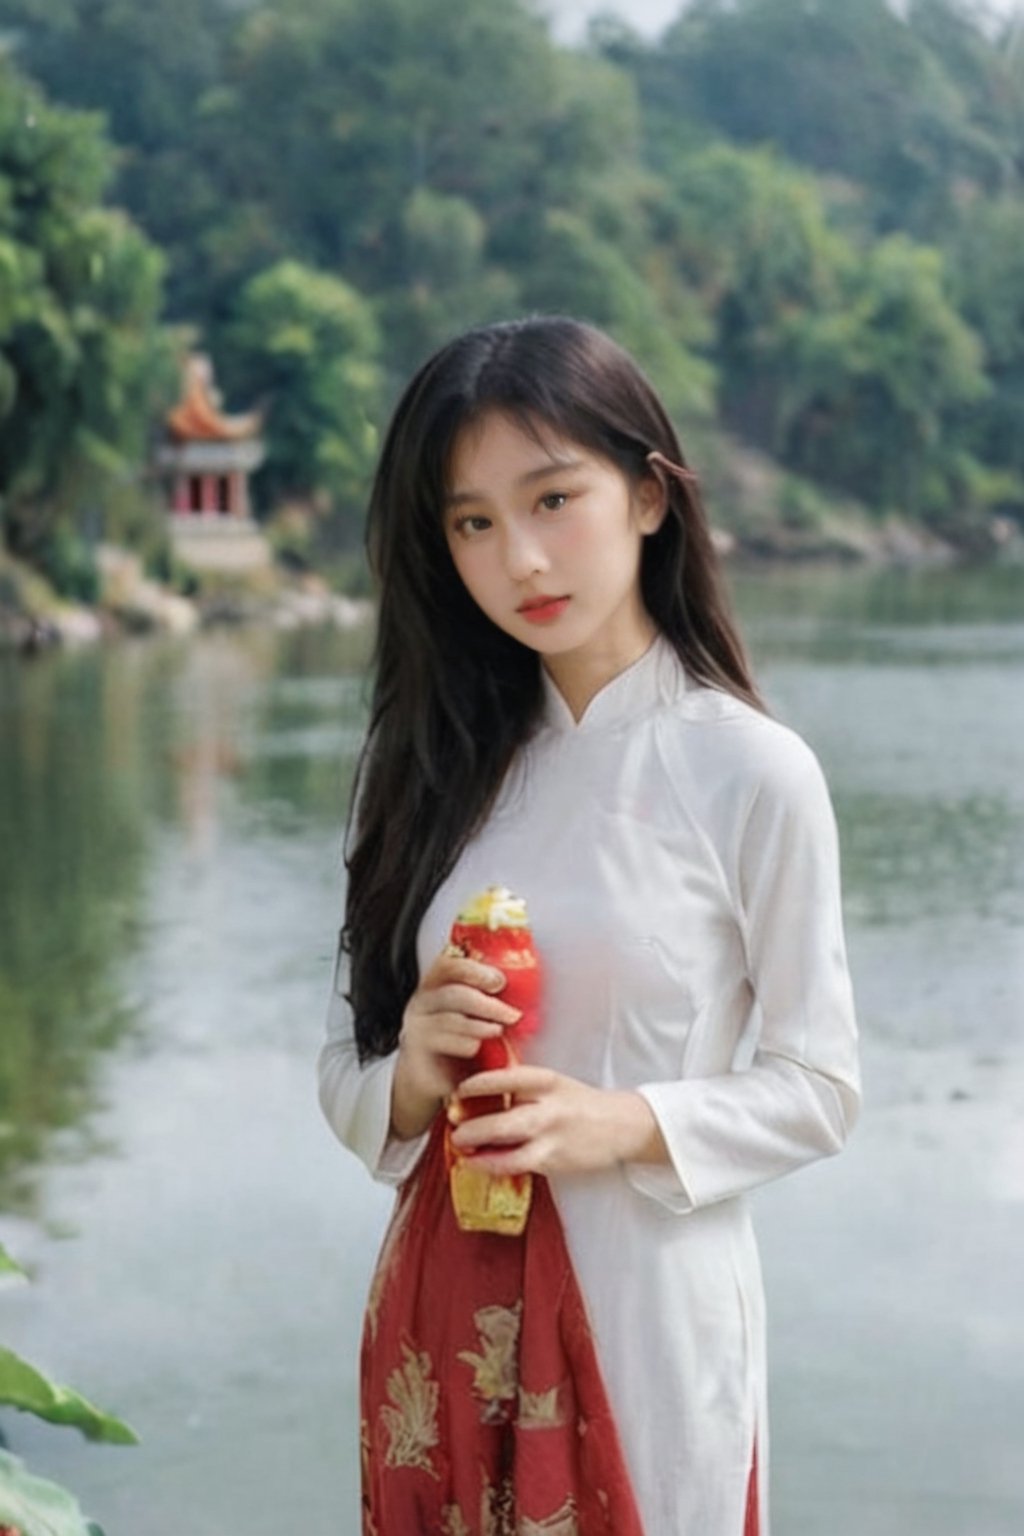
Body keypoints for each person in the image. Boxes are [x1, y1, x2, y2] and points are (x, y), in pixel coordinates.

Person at [318, 316, 860, 1536]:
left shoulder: (749, 772)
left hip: (646, 1315)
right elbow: (346, 1067)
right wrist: (406, 1078)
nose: (519, 557)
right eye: (471, 522)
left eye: (553, 498)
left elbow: (821, 1085)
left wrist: (617, 1122)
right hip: (444, 1308)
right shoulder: (432, 771)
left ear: (651, 498)